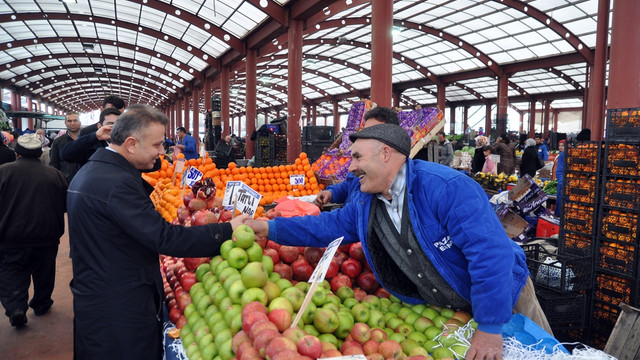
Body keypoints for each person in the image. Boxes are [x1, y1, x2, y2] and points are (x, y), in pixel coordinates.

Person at [244, 124, 551, 360]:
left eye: (357, 157)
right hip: (456, 309)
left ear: (386, 155)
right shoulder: (368, 203)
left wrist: (490, 326)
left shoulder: (447, 189)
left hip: (504, 296)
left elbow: (490, 254)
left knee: (542, 352)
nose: (349, 168)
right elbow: (325, 226)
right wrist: (267, 228)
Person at [66, 104, 248, 359]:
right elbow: (165, 237)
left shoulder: (93, 171)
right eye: (157, 145)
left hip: (98, 296)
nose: (162, 152)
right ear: (131, 144)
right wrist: (226, 230)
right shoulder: (117, 184)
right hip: (118, 310)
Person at [0, 134, 68, 327]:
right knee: (44, 272)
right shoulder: (55, 175)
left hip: (11, 236)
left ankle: (16, 307)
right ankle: (41, 303)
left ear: (17, 153)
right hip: (46, 235)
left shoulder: (3, 172)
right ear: (40, 153)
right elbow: (65, 205)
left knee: (12, 271)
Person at [314, 106, 399, 209]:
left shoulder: (413, 185)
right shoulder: (360, 165)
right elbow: (348, 186)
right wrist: (331, 193)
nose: (366, 137)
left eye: (374, 134)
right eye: (366, 132)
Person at [49, 112, 81, 183]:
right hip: (66, 182)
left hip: (85, 181)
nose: (72, 123)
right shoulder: (58, 142)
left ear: (80, 122)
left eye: (75, 120)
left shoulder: (87, 139)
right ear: (65, 123)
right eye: (69, 121)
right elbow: (53, 164)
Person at [552, 140, 566, 217]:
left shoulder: (563, 155)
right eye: (559, 145)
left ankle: (558, 214)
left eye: (562, 145)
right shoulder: (559, 155)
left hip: (560, 178)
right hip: (557, 176)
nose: (560, 147)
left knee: (560, 197)